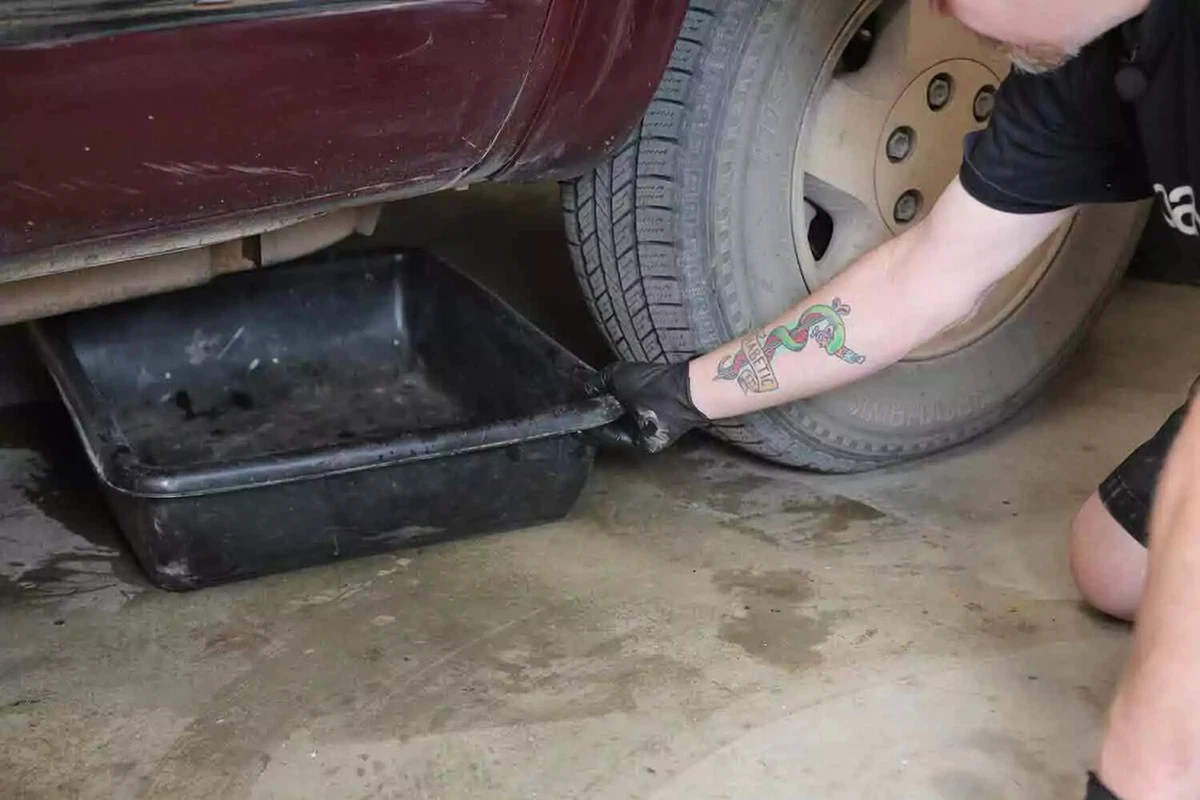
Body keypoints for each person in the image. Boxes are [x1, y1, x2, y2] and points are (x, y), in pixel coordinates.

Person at [590, 0, 1200, 797]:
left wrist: (1143, 774)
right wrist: (689, 392)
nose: (943, 11)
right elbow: (931, 277)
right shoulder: (1085, 59)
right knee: (1114, 568)